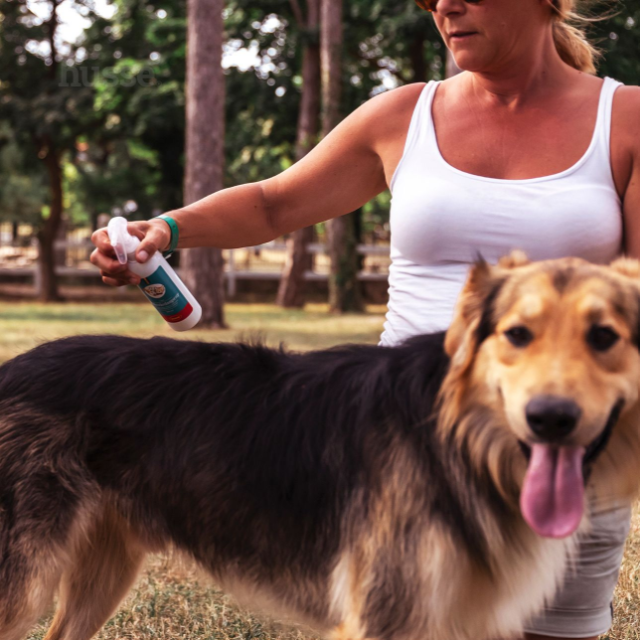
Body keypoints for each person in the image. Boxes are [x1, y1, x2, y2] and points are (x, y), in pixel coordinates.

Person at [91, 0, 640, 637]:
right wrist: (166, 228)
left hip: (564, 442)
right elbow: (275, 203)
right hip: (402, 440)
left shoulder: (624, 118)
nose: (443, 6)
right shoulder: (406, 114)